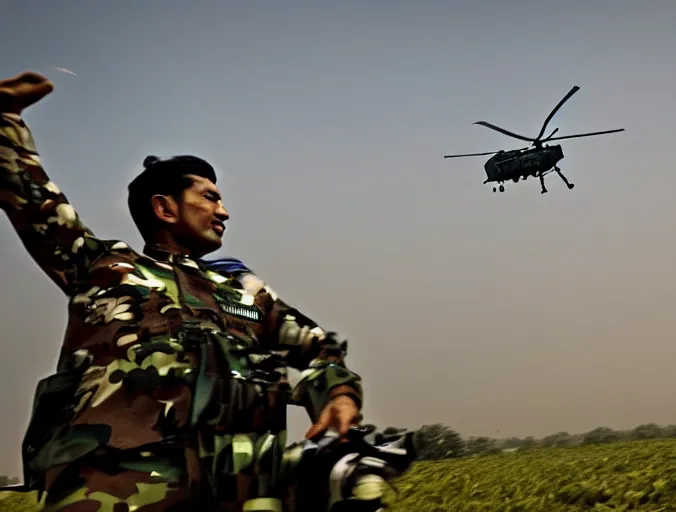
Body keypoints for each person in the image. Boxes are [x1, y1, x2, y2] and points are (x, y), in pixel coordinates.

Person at [0, 71, 415, 511]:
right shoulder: (106, 268)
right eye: (211, 198)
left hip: (238, 487)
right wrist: (6, 119)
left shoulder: (243, 292)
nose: (225, 212)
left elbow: (320, 348)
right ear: (165, 208)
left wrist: (338, 392)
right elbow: (35, 201)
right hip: (116, 484)